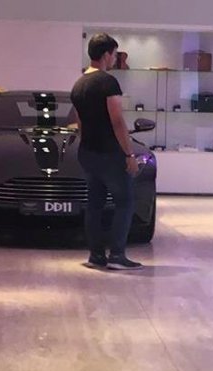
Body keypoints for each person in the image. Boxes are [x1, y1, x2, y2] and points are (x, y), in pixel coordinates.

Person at [71, 33, 142, 271]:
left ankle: (96, 255)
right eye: (114, 54)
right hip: (110, 153)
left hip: (88, 152)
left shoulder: (79, 84)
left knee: (94, 204)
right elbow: (117, 120)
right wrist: (129, 154)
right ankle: (117, 255)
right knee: (125, 202)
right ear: (105, 54)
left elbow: (80, 122)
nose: (114, 59)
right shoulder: (108, 82)